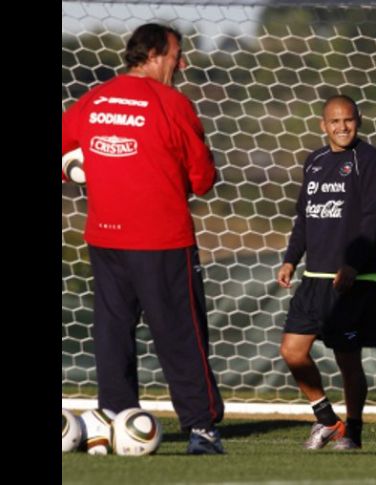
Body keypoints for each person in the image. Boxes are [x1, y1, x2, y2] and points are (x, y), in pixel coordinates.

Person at [61, 23, 225, 455]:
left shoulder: (92, 100)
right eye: (177, 54)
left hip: (105, 239)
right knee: (181, 335)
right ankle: (201, 428)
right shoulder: (173, 104)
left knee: (112, 333)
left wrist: (77, 169)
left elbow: (64, 156)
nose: (182, 63)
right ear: (153, 54)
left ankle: (115, 420)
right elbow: (203, 180)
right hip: (162, 241)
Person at [277, 95, 376, 450]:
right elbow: (304, 218)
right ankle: (327, 419)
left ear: (358, 120)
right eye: (335, 122)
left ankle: (353, 432)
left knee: (347, 360)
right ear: (322, 125)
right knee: (292, 351)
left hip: (353, 280)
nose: (342, 128)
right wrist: (291, 258)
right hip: (315, 279)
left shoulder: (371, 161)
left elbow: (374, 219)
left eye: (349, 121)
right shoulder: (315, 162)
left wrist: (354, 264)